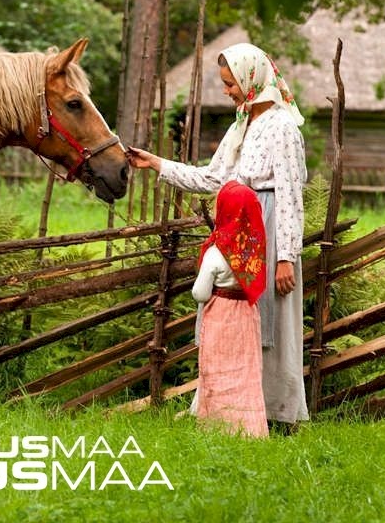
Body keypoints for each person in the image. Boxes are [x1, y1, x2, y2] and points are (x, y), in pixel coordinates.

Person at [127, 42, 309, 426]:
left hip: (268, 229)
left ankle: (275, 409)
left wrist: (286, 256)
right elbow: (212, 178)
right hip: (238, 227)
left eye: (231, 85)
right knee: (233, 313)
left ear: (251, 80)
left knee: (268, 318)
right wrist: (157, 163)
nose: (226, 92)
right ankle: (228, 405)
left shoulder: (283, 128)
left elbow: (292, 193)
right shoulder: (241, 125)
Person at [192, 180, 269, 437]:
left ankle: (217, 426)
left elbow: (200, 293)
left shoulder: (216, 253)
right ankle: (251, 428)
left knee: (218, 369)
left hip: (221, 315)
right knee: (246, 371)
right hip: (247, 315)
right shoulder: (253, 250)